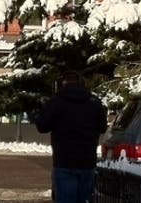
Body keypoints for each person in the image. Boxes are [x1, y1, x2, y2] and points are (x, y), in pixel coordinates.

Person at [36, 70, 108, 203]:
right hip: (87, 160)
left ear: (63, 82)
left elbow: (42, 126)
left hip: (64, 160)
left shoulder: (56, 102)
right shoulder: (94, 102)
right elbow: (103, 127)